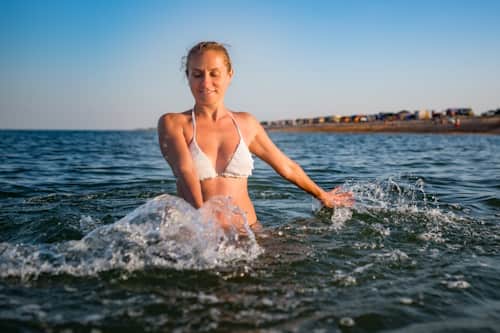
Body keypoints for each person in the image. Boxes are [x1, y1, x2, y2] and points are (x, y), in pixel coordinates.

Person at [158, 41, 354, 232]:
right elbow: (186, 173)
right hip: (198, 233)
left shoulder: (246, 123)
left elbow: (286, 167)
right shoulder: (173, 123)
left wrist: (323, 195)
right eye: (197, 74)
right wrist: (203, 227)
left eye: (214, 74)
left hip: (248, 232)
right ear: (188, 76)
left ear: (229, 75)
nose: (206, 83)